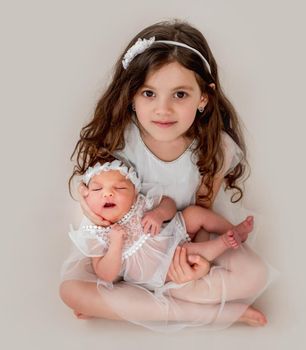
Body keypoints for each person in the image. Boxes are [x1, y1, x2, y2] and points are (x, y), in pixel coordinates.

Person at [60, 19, 274, 331]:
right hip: (124, 255)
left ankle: (141, 302)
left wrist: (195, 265)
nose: (163, 109)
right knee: (71, 291)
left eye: (180, 95)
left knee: (255, 274)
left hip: (178, 246)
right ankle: (205, 312)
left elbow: (202, 210)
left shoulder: (214, 149)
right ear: (131, 95)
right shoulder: (119, 141)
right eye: (149, 93)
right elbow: (97, 206)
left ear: (203, 98)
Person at [70, 158, 254, 291]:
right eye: (97, 189)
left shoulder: (140, 204)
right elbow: (105, 274)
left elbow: (169, 204)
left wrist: (158, 214)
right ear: (86, 198)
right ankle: (223, 242)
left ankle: (231, 228)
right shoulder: (95, 233)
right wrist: (116, 244)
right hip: (164, 266)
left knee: (193, 213)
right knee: (189, 252)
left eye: (119, 188)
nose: (108, 194)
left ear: (134, 193)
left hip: (174, 233)